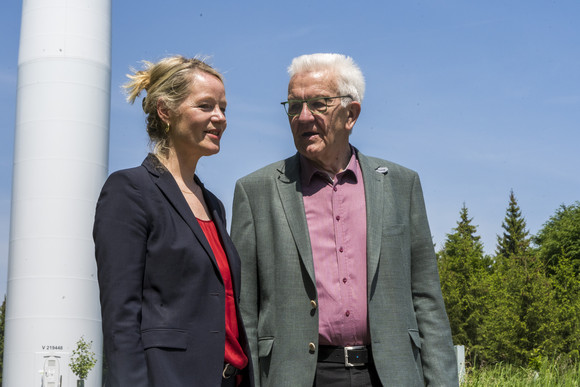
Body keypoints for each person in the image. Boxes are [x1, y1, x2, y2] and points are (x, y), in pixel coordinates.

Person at [231, 53, 458, 387]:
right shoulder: (256, 191)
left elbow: (426, 300)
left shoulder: (400, 184)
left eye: (319, 103)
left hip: (390, 374)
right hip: (298, 376)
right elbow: (244, 310)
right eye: (294, 106)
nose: (303, 116)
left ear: (351, 114)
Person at [94, 55, 253, 387]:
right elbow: (121, 318)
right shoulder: (130, 190)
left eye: (223, 108)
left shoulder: (214, 205)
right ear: (165, 110)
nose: (220, 118)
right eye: (206, 106)